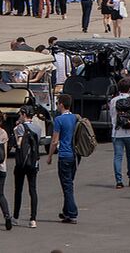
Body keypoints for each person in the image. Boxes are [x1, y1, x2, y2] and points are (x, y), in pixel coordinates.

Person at [47, 94, 79, 223]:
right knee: (69, 183)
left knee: (67, 186)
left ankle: (72, 213)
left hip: (64, 155)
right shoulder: (75, 118)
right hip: (74, 155)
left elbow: (55, 141)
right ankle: (66, 212)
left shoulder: (59, 120)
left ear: (61, 104)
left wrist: (49, 156)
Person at [12, 105, 42, 228]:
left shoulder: (20, 127)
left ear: (24, 115)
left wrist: (15, 129)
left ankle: (16, 216)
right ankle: (33, 218)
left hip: (21, 162)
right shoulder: (38, 128)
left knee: (18, 190)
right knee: (33, 189)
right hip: (33, 161)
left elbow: (18, 143)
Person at [109, 77, 130, 188]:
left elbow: (112, 114)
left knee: (118, 156)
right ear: (129, 88)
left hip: (117, 132)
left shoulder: (114, 100)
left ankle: (119, 181)